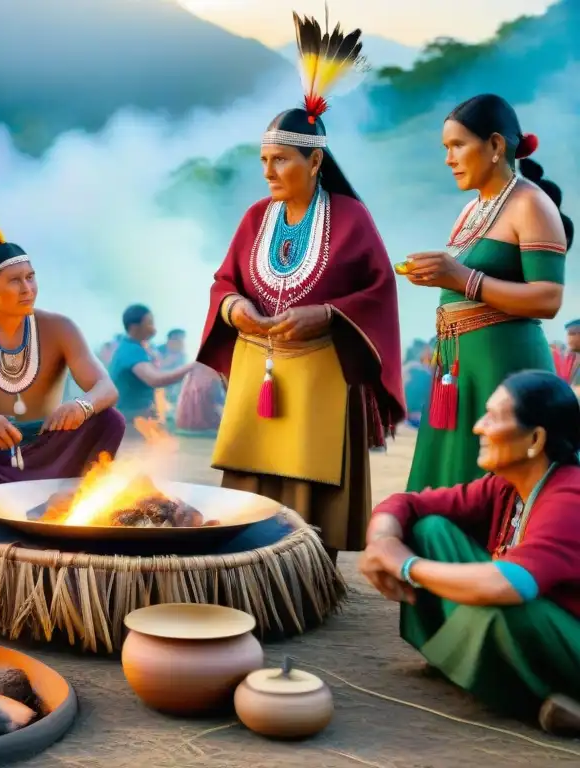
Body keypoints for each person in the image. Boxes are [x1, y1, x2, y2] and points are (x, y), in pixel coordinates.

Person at [196, 14, 405, 561]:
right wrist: (234, 305)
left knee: (311, 489)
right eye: (264, 160)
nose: (269, 171)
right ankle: (243, 563)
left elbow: (380, 289)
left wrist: (330, 315)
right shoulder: (253, 217)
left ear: (315, 161)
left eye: (281, 159)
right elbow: (224, 280)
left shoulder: (353, 218)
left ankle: (307, 573)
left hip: (320, 375)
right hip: (256, 365)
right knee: (250, 487)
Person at [360, 370, 580, 735]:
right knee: (429, 529)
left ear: (535, 439)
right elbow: (410, 504)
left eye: (492, 417)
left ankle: (544, 697)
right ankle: (466, 662)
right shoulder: (505, 486)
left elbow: (511, 585)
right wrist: (382, 542)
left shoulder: (570, 495)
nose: (478, 427)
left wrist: (406, 565)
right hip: (537, 618)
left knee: (496, 609)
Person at [402, 94, 571, 492]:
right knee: (448, 484)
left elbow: (548, 298)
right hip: (459, 370)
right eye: (446, 148)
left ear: (495, 145)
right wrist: (436, 275)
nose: (449, 158)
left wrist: (461, 279)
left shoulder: (532, 204)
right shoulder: (470, 209)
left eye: (458, 145)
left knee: (493, 488)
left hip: (504, 366)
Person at [0, 207, 125, 505]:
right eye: (15, 280)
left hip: (48, 449)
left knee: (109, 421)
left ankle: (69, 501)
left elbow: (106, 388)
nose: (27, 289)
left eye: (31, 277)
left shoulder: (60, 327)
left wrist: (82, 406)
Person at [109, 305, 194, 425]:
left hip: (141, 415)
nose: (154, 329)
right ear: (134, 327)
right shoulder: (131, 350)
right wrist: (193, 367)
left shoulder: (143, 347)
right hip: (130, 420)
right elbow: (155, 379)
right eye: (149, 323)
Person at [174, 362, 226, 435]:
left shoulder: (192, 374)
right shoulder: (211, 379)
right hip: (207, 430)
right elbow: (221, 408)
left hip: (185, 428)